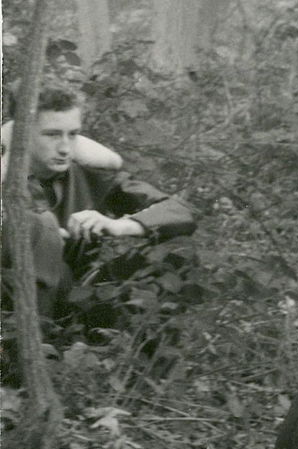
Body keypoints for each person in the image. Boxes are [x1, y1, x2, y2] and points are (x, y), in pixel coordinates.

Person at [0, 83, 197, 332]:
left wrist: (120, 225)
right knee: (42, 226)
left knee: (177, 249)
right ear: (21, 133)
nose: (64, 148)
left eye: (73, 134)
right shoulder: (4, 175)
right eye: (51, 135)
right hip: (14, 304)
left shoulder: (90, 172)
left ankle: (144, 363)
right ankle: (31, 354)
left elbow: (180, 211)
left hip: (81, 297)